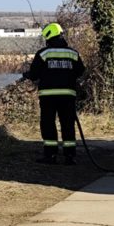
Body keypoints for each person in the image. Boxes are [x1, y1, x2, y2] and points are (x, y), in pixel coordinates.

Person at [22, 23, 86, 165]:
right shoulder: (73, 53)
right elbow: (81, 71)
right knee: (68, 124)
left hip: (48, 96)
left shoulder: (43, 54)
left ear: (49, 36)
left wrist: (26, 74)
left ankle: (50, 155)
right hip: (68, 96)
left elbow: (34, 74)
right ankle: (70, 156)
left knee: (48, 124)